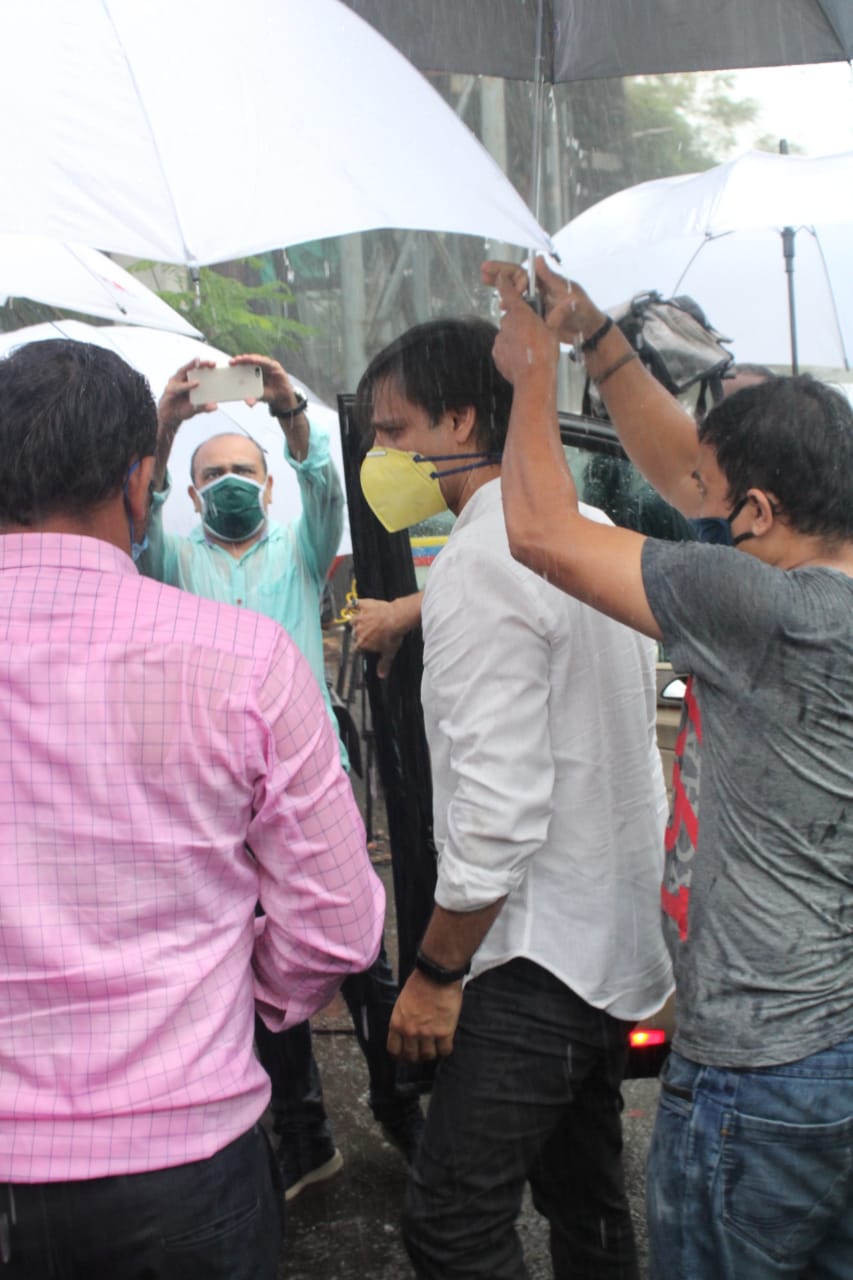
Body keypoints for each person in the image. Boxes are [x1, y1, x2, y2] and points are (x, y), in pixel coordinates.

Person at [484, 257, 853, 1280]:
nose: (701, 498)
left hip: (761, 1068)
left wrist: (527, 378)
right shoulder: (812, 571)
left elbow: (542, 534)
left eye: (723, 497)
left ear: (762, 513)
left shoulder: (761, 610)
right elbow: (691, 476)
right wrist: (595, 339)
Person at [0, 339, 385, 1279]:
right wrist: (226, 993)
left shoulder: (270, 589)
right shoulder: (244, 659)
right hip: (182, 1166)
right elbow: (338, 924)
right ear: (145, 486)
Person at [354, 317, 673, 1280]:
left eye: (394, 429)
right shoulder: (597, 538)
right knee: (586, 1201)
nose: (381, 456)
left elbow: (495, 810)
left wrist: (437, 971)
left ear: (461, 418)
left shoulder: (481, 563)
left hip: (529, 956)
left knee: (451, 1219)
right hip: (611, 935)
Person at [139, 354, 423, 1199]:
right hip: (213, 794)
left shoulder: (303, 551)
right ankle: (305, 1133)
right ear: (191, 494)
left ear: (269, 483)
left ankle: (400, 1105)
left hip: (308, 782)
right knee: (259, 964)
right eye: (212, 474)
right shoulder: (170, 559)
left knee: (358, 950)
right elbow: (139, 511)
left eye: (243, 470)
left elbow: (327, 488)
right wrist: (164, 424)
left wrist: (291, 411)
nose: (228, 483)